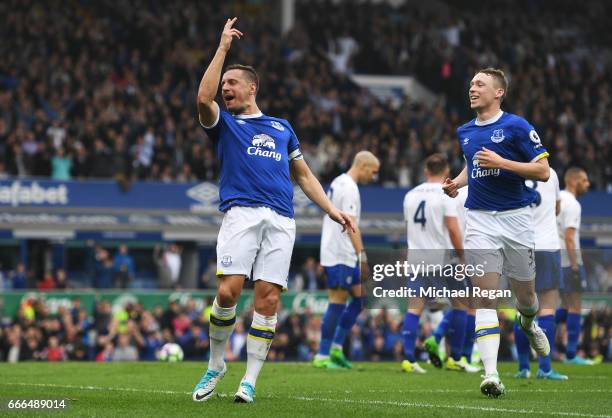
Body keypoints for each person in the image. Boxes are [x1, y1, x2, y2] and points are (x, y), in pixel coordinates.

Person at [192, 17, 355, 404]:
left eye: (232, 83)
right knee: (228, 291)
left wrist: (331, 209)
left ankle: (249, 379)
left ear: (252, 88)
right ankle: (216, 363)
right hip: (241, 214)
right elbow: (202, 99)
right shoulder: (225, 125)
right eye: (224, 84)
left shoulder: (282, 128)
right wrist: (222, 50)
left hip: (282, 219)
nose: (225, 89)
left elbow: (304, 175)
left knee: (267, 299)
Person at [443, 67, 551, 397]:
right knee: (484, 296)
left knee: (526, 298)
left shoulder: (516, 126)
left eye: (480, 84)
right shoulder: (464, 130)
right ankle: (490, 375)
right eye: (472, 82)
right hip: (478, 219)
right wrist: (457, 183)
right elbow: (473, 163)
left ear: (498, 92)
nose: (472, 88)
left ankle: (529, 322)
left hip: (516, 219)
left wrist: (502, 162)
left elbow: (543, 171)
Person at [399, 154, 470, 374]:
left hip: (418, 259)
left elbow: (409, 229)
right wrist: (463, 258)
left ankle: (409, 360)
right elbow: (452, 228)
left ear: (426, 170)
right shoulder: (445, 194)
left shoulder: (410, 195)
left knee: (414, 311)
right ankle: (456, 358)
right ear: (446, 171)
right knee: (462, 305)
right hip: (443, 260)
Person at [313, 151, 380, 369]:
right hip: (340, 252)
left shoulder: (340, 182)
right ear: (363, 165)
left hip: (342, 251)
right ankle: (323, 355)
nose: (375, 177)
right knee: (337, 301)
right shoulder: (349, 188)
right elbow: (351, 226)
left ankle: (336, 348)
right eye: (374, 172)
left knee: (361, 298)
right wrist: (362, 256)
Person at [514, 168, 568, 380]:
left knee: (522, 307)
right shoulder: (551, 173)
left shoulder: (511, 169)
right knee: (547, 308)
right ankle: (545, 368)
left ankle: (523, 367)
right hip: (547, 245)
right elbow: (556, 208)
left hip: (519, 245)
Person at [556, 167, 593, 365]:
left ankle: (538, 325)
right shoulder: (573, 204)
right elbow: (570, 238)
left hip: (554, 259)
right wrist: (575, 265)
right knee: (575, 307)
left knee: (563, 306)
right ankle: (571, 354)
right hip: (569, 262)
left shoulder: (557, 198)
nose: (587, 184)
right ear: (574, 181)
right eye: (584, 180)